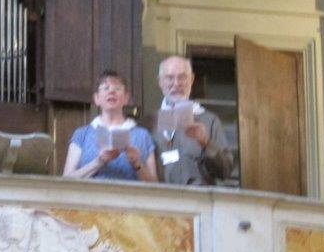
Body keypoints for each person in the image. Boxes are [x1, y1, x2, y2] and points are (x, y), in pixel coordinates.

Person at [62, 70, 157, 182]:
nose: (111, 91)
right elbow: (66, 181)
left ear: (126, 98)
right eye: (106, 88)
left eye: (117, 88)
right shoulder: (82, 134)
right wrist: (99, 162)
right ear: (96, 98)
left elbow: (154, 185)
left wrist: (137, 163)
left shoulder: (142, 135)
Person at [153, 55, 233, 185]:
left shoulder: (210, 121)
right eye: (170, 78)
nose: (176, 83)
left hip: (199, 196)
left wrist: (206, 144)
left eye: (182, 77)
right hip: (160, 196)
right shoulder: (149, 123)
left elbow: (225, 171)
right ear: (160, 82)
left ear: (191, 79)